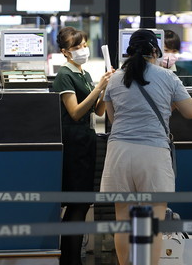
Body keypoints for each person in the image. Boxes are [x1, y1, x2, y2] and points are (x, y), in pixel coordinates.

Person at [101, 29, 192, 265]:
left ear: (129, 51)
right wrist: (167, 107)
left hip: (119, 154)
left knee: (123, 221)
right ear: (155, 50)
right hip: (153, 154)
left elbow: (114, 119)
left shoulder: (114, 79)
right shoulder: (168, 77)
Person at [51, 26, 113, 265]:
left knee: (83, 201)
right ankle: (70, 257)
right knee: (77, 202)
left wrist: (105, 87)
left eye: (84, 45)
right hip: (73, 141)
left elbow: (97, 110)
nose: (82, 50)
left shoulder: (84, 74)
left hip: (86, 140)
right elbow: (75, 112)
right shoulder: (64, 75)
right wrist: (98, 87)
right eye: (76, 47)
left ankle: (71, 256)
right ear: (65, 52)